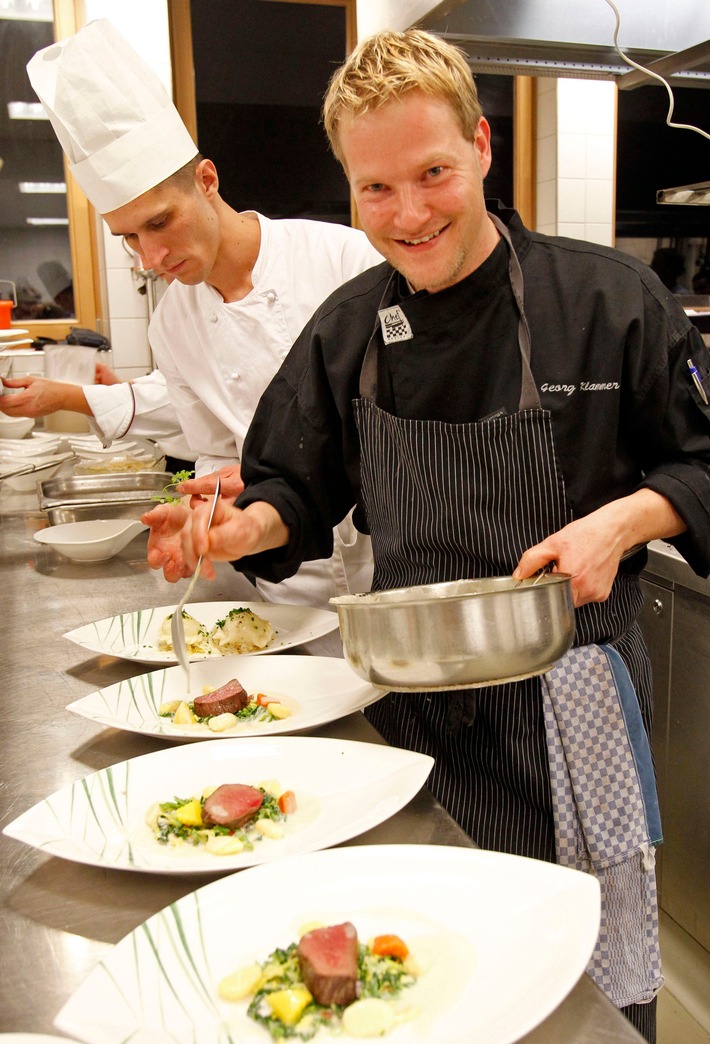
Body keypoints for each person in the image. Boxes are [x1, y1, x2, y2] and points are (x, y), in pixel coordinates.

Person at [160, 29, 710, 1041]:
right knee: (443, 977)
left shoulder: (606, 302)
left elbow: (700, 465)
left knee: (585, 992)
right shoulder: (349, 327)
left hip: (568, 709)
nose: (407, 215)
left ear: (482, 147)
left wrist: (622, 521)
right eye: (375, 190)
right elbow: (296, 485)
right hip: (413, 724)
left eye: (432, 174)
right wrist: (240, 530)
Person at [28, 18, 382, 618]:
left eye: (161, 223)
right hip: (280, 587)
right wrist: (208, 511)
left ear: (207, 180)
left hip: (388, 570)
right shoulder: (171, 325)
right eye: (129, 238)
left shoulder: (344, 261)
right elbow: (217, 452)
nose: (153, 258)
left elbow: (411, 425)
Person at [0, 365, 194, 474]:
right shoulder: (181, 303)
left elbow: (182, 400)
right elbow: (171, 377)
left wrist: (64, 397)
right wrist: (120, 386)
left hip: (202, 470)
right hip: (179, 465)